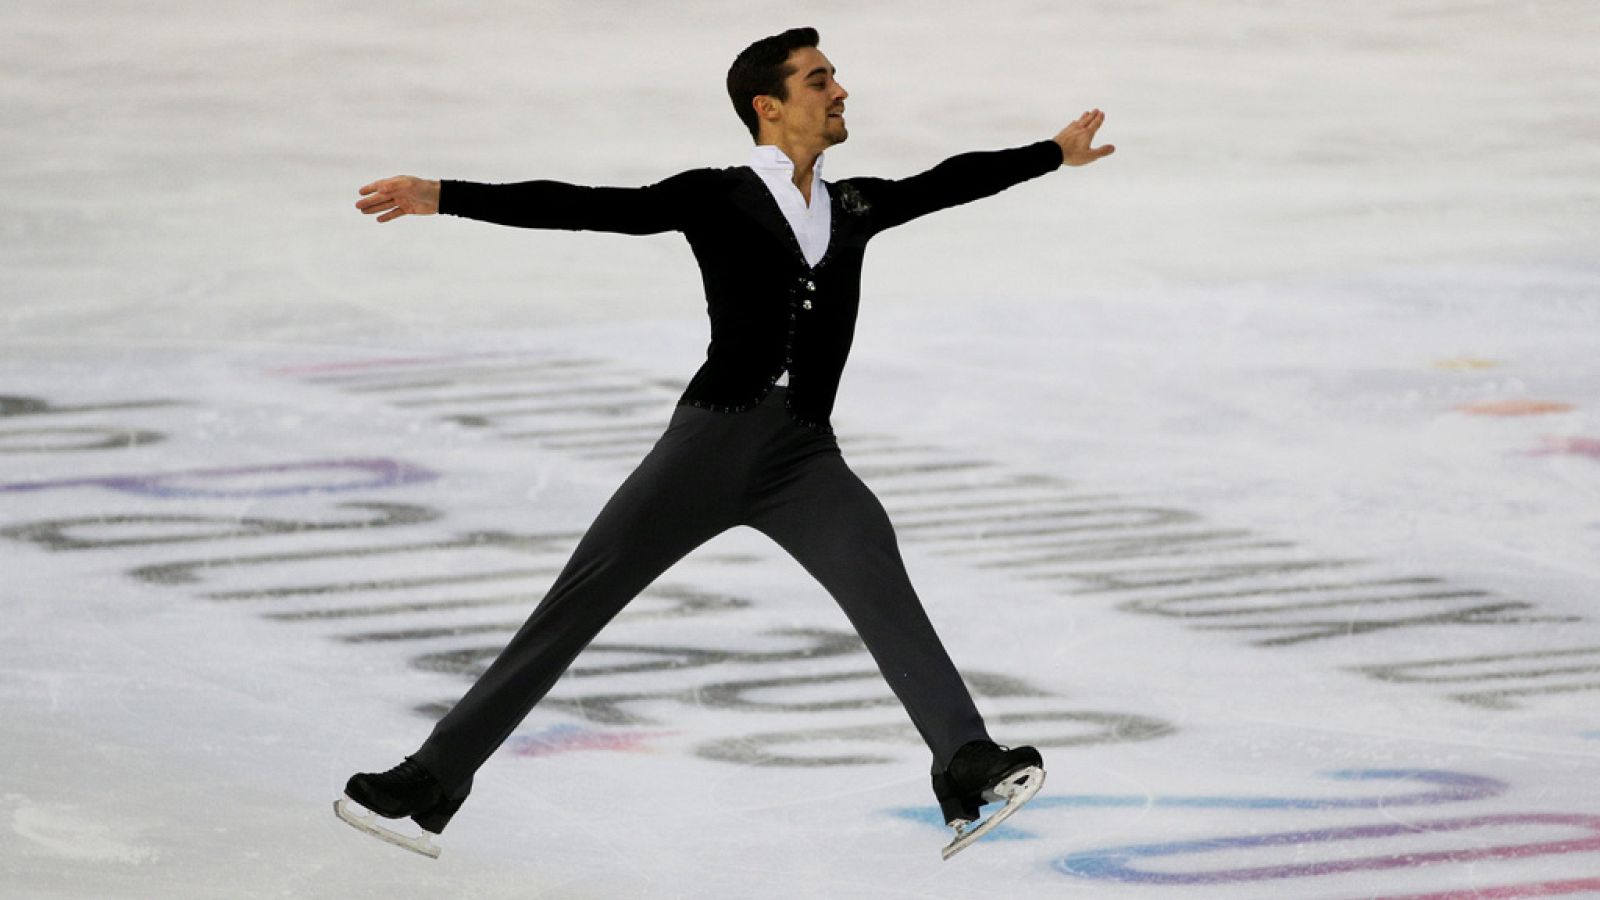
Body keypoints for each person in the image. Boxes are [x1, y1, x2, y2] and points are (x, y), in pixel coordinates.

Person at [336, 26, 1114, 860]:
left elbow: (947, 182)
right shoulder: (718, 193)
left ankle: (964, 765)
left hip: (804, 457)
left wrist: (1050, 153)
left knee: (882, 587)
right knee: (576, 606)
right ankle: (431, 778)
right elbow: (591, 206)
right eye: (821, 81)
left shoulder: (853, 204)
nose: (842, 91)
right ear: (769, 107)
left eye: (836, 77)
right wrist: (445, 193)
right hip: (709, 447)